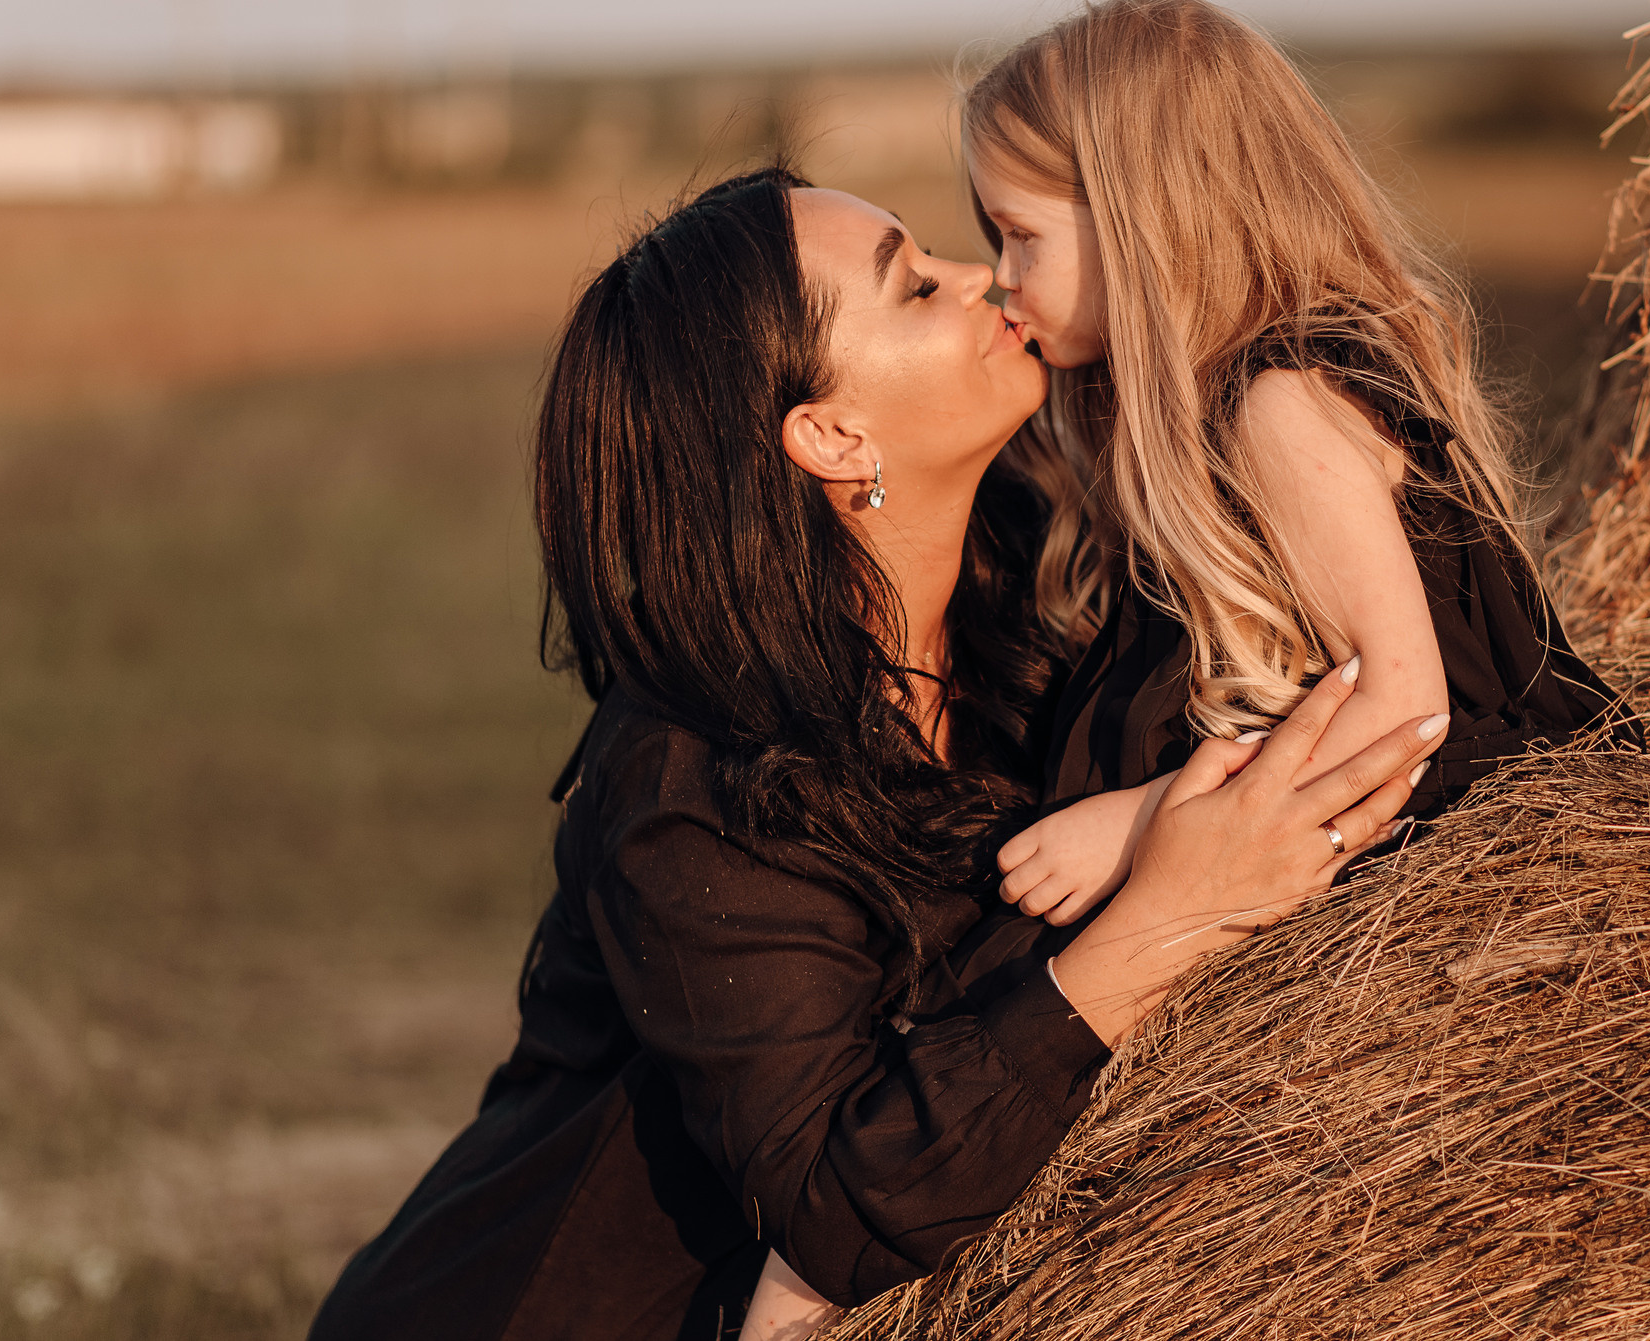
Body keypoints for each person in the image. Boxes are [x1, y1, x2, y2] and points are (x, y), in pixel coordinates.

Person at [307, 168, 1439, 1341]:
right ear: (832, 434)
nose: (979, 277)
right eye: (914, 284)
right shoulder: (698, 779)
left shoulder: (1023, 598)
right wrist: (1169, 915)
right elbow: (835, 1206)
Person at [967, 0, 1640, 930]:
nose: (998, 272)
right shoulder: (1187, 414)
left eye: (1020, 234)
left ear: (1139, 218)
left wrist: (1138, 823)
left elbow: (1408, 714)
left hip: (1434, 842)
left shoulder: (1280, 405)